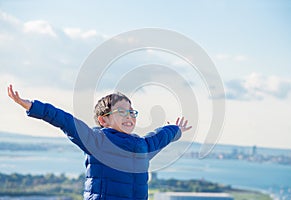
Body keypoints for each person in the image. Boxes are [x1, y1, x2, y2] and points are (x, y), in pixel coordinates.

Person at [7, 84, 192, 200]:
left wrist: (176, 130)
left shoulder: (142, 146)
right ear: (103, 120)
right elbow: (65, 121)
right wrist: (33, 106)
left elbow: (161, 137)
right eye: (121, 112)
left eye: (131, 112)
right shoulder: (97, 141)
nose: (129, 116)